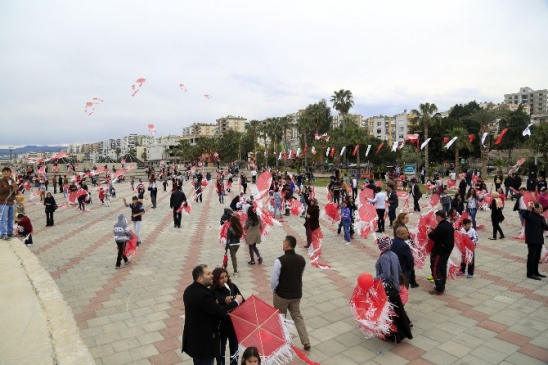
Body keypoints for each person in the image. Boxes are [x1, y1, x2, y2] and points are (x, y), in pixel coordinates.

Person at [182, 265, 243, 365]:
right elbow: (219, 312)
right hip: (203, 344)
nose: (212, 276)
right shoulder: (203, 295)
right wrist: (235, 302)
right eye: (208, 274)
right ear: (200, 278)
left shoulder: (189, 290)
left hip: (194, 341)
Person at [270, 235, 311, 351]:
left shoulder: (279, 261)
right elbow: (300, 274)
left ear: (287, 245)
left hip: (281, 295)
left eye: (284, 243)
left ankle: (282, 340)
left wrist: (274, 290)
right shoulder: (301, 259)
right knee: (297, 317)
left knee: (280, 318)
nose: (283, 244)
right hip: (296, 294)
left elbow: (274, 280)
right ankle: (306, 341)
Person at [374, 236, 413, 343]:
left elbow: (386, 274)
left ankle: (390, 334)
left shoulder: (384, 257)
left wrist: (374, 279)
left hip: (387, 287)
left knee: (389, 312)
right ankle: (403, 329)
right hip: (395, 286)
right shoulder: (394, 254)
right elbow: (399, 269)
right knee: (396, 310)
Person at [211, 268, 244, 365]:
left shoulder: (232, 286)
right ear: (216, 279)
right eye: (221, 278)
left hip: (233, 325)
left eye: (226, 276)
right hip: (220, 326)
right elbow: (214, 307)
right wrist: (224, 301)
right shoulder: (212, 291)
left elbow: (241, 300)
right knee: (220, 353)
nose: (224, 279)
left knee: (234, 350)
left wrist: (235, 299)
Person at [427, 210, 455, 294]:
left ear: (439, 217)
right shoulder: (448, 225)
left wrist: (429, 233)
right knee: (442, 267)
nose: (436, 219)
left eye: (436, 217)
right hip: (446, 250)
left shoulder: (442, 226)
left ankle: (439, 287)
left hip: (440, 251)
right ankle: (442, 284)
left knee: (435, 268)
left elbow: (434, 237)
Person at [522, 202, 548, 280]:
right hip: (532, 239)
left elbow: (545, 227)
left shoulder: (541, 217)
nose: (542, 210)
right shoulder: (530, 215)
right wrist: (527, 210)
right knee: (531, 256)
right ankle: (530, 273)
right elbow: (524, 216)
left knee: (537, 257)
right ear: (535, 208)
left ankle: (536, 271)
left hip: (539, 239)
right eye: (540, 209)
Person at [0, 167, 19, 240]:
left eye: (7, 171)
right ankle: (3, 234)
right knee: (3, 219)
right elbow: (1, 191)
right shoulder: (1, 181)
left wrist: (16, 189)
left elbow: (15, 192)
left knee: (11, 219)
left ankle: (10, 233)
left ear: (10, 173)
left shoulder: (12, 180)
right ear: (2, 173)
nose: (6, 172)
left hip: (11, 203)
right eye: (4, 171)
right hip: (3, 203)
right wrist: (10, 186)